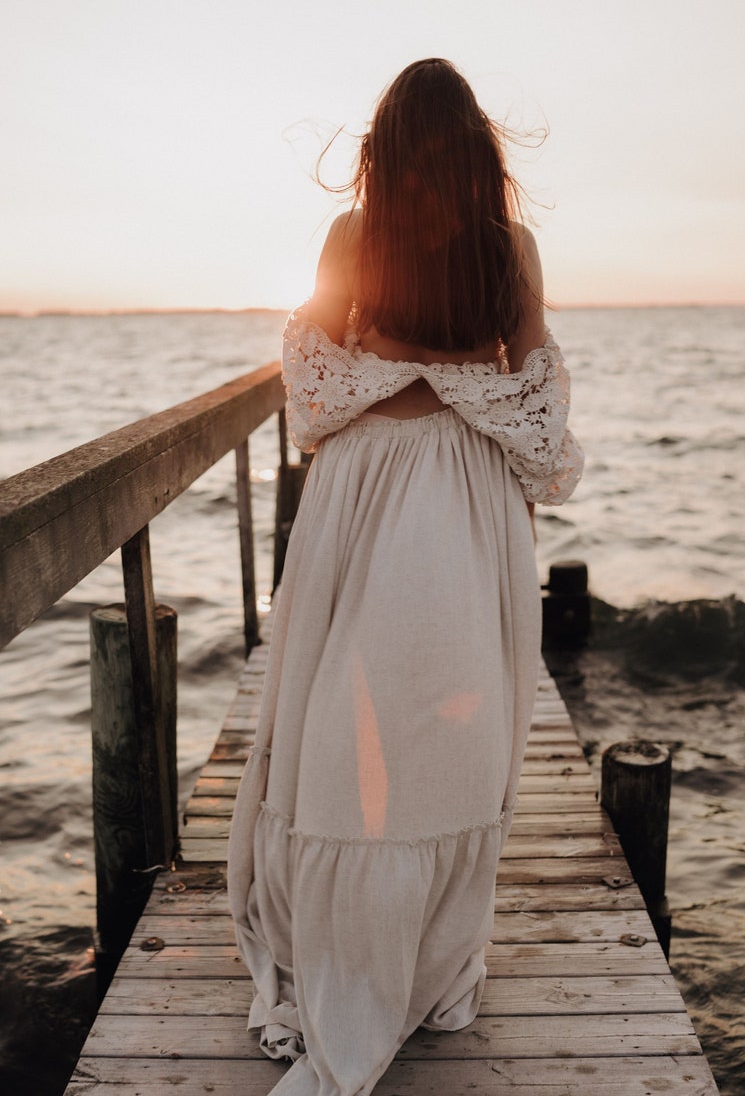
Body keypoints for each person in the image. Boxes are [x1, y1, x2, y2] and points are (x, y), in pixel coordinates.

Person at [228, 57, 583, 1095]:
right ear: (477, 148)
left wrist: (384, 377)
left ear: (380, 148)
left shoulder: (352, 239)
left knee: (342, 722)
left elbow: (313, 365)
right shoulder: (507, 247)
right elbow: (533, 394)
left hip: (363, 487)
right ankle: (426, 967)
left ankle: (353, 960)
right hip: (464, 492)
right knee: (449, 727)